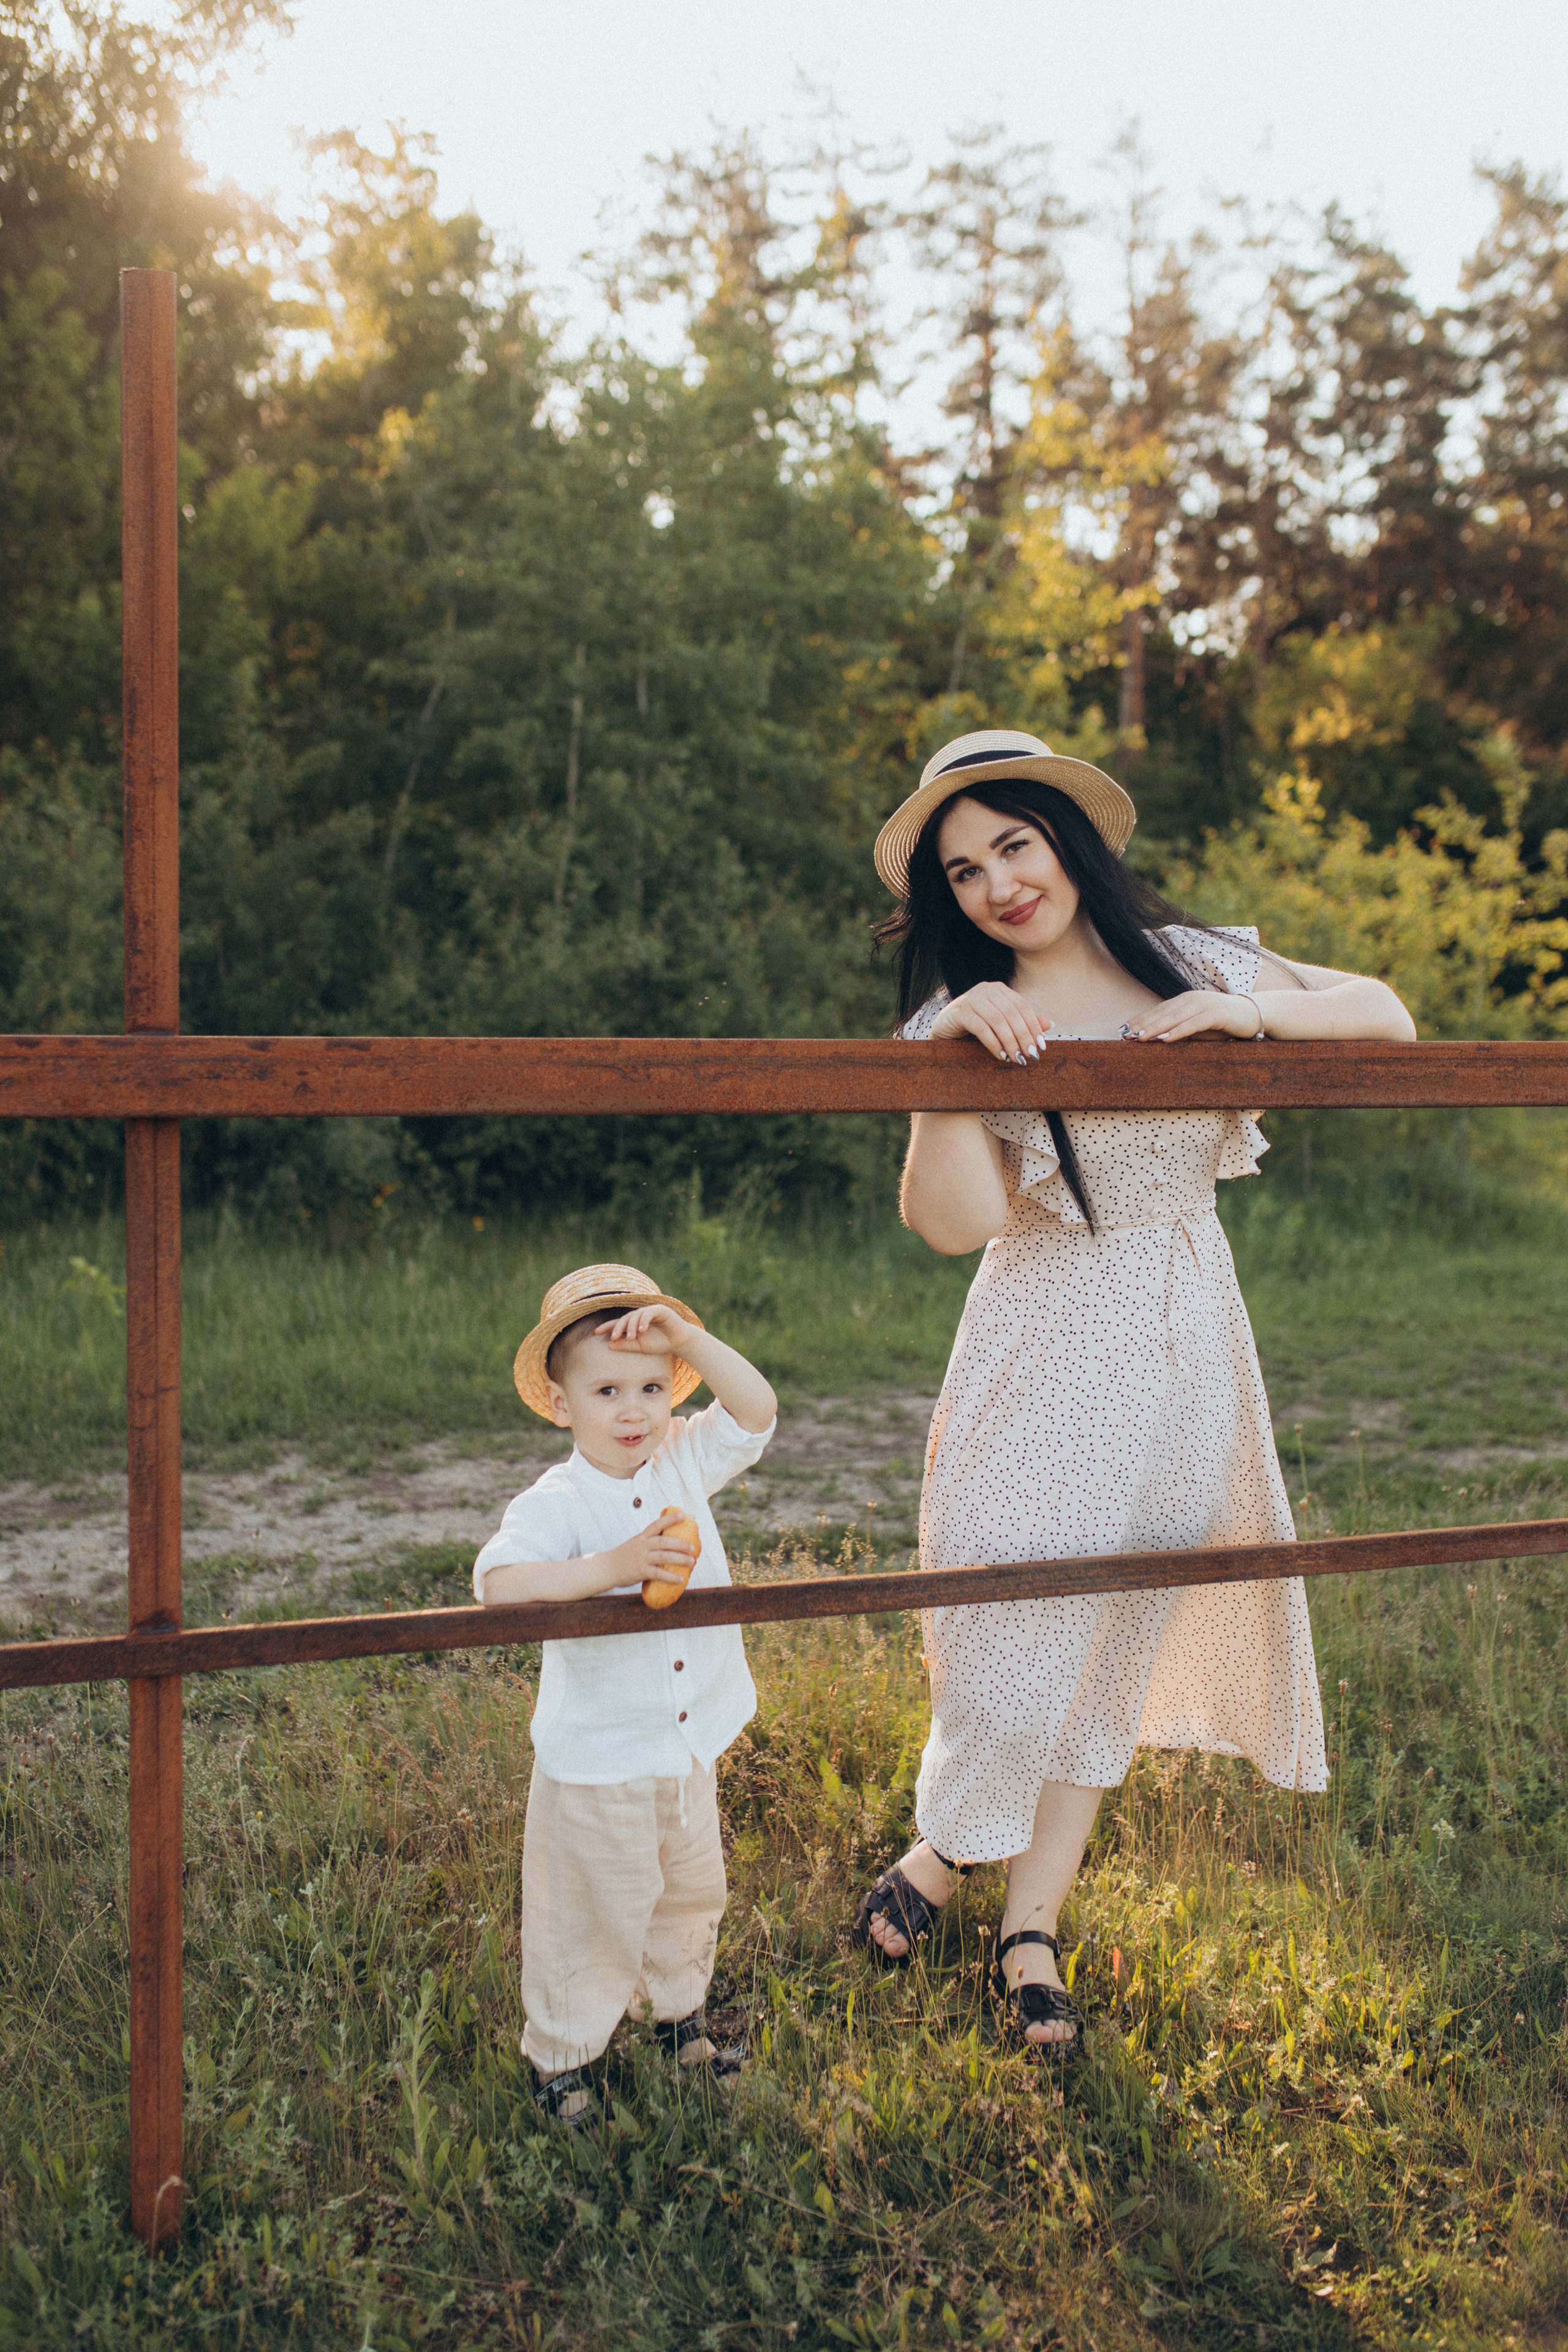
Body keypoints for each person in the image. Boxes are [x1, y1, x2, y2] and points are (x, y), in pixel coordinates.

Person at [851, 728, 1417, 2054]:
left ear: (1065, 842)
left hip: (1181, 1331)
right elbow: (948, 1225)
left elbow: (1384, 1014)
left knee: (1109, 1632)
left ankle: (1027, 1922)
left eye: (1014, 843)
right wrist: (944, 1068)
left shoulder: (1197, 961)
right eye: (965, 868)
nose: (998, 882)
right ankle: (945, 1846)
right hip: (1041, 1323)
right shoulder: (964, 1016)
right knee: (995, 1607)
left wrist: (1251, 1013)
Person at [475, 1261, 777, 2122]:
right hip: (600, 1759)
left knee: (689, 1890)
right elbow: (499, 1585)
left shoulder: (683, 1459)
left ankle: (675, 2014)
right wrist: (612, 1568)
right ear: (563, 1404)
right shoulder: (561, 1498)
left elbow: (757, 1412)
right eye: (608, 1390)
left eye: (652, 1386)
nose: (635, 1410)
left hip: (686, 1744)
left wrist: (689, 1339)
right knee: (590, 1909)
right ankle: (560, 2059)